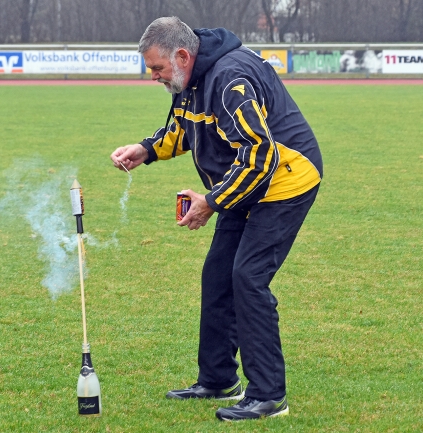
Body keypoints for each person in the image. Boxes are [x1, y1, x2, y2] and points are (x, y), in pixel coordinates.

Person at [110, 17, 323, 422]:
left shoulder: (229, 80)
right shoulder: (190, 80)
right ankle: (219, 379)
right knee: (218, 275)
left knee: (248, 277)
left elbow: (262, 155)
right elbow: (185, 127)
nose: (152, 76)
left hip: (286, 180)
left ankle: (268, 396)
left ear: (183, 56)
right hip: (246, 182)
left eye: (156, 68)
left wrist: (210, 201)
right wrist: (146, 149)